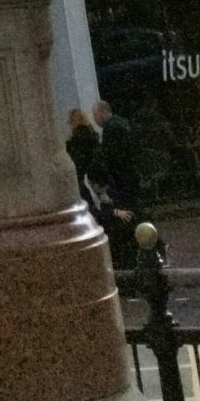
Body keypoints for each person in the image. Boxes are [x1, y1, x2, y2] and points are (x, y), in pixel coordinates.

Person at [87, 96, 147, 272]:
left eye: (96, 114)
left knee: (125, 218)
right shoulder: (123, 123)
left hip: (121, 182)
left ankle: (131, 258)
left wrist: (108, 184)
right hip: (131, 178)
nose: (96, 119)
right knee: (133, 212)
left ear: (103, 112)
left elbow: (111, 159)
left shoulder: (111, 130)